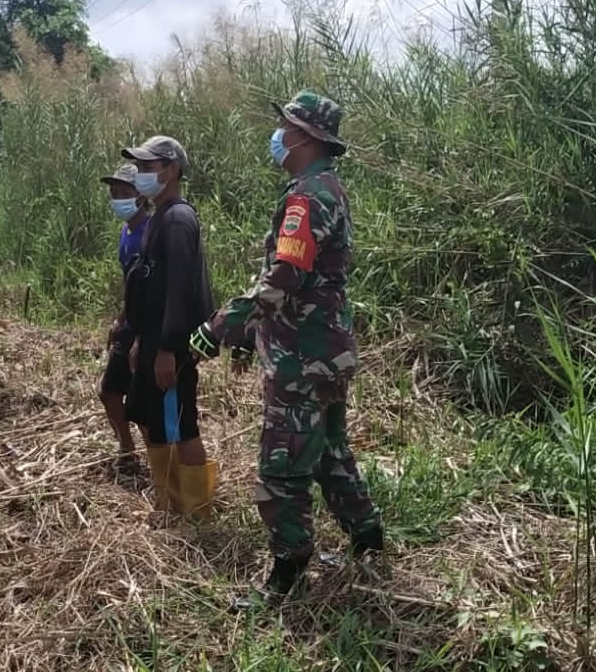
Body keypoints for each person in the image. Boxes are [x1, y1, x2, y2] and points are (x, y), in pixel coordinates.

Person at [189, 90, 384, 607]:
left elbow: (284, 278)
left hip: (302, 356)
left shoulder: (306, 198)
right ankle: (367, 538)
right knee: (328, 452)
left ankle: (287, 574)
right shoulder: (329, 190)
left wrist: (221, 326)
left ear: (303, 138)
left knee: (282, 464)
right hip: (326, 350)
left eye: (285, 129)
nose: (278, 137)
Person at [117, 135, 218, 518]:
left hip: (170, 347)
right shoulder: (161, 214)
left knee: (181, 426)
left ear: (172, 170)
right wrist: (144, 339)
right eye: (139, 167)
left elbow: (179, 291)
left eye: (148, 166)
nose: (141, 174)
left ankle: (196, 510)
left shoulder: (177, 218)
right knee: (159, 426)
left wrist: (166, 348)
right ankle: (170, 504)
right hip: (155, 340)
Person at [98, 163, 149, 482]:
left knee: (142, 403)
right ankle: (128, 451)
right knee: (109, 392)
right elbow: (130, 287)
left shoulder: (151, 234)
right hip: (130, 323)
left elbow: (156, 292)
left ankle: (160, 465)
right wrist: (119, 321)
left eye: (125, 193)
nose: (118, 199)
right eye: (114, 193)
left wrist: (142, 340)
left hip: (147, 328)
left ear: (142, 196)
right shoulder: (127, 231)